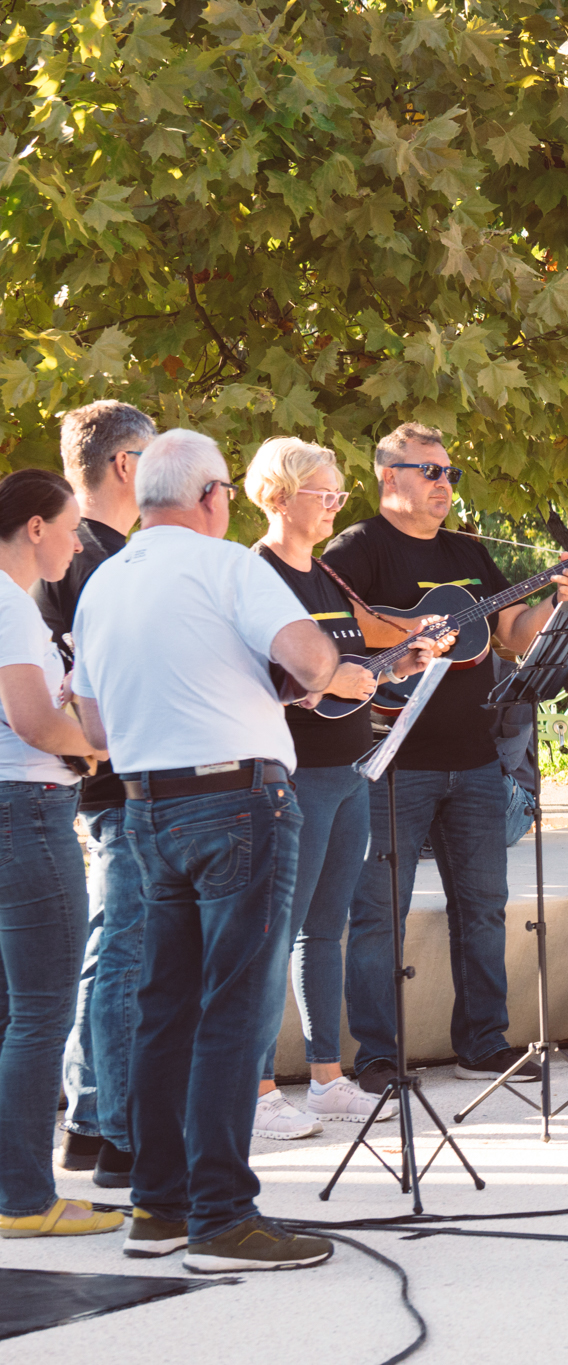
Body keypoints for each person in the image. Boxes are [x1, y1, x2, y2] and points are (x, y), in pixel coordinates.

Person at [72, 429, 340, 1271]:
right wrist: (315, 668)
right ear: (215, 496)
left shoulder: (104, 581)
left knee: (165, 1008)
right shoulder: (230, 567)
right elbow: (309, 658)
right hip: (238, 803)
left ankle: (159, 1207)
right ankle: (223, 1218)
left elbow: (92, 727)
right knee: (235, 1009)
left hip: (148, 805)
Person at [322, 422, 568, 1095]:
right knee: (380, 909)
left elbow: (513, 636)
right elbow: (335, 630)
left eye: (450, 473)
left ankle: (484, 1040)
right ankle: (377, 1055)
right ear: (390, 477)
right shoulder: (355, 549)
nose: (445, 484)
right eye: (431, 472)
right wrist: (408, 632)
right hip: (392, 757)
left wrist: (559, 599)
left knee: (484, 905)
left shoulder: (469, 551)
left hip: (473, 758)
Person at [247, 439, 440, 1139]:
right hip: (288, 777)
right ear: (278, 495)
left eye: (337, 496)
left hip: (348, 769)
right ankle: (259, 1085)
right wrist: (334, 678)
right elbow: (266, 676)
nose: (333, 507)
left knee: (325, 928)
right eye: (320, 495)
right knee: (272, 933)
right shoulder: (255, 573)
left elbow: (343, 669)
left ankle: (327, 1077)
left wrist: (396, 664)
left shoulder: (328, 575)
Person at [0, 470, 121, 1239]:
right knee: (44, 1013)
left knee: (16, 1012)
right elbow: (35, 723)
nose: (79, 544)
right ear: (35, 527)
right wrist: (103, 752)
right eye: (71, 527)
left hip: (17, 809)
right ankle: (25, 1199)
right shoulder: (11, 605)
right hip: (29, 810)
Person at [34, 401, 152, 1189]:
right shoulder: (98, 560)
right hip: (116, 778)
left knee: (111, 945)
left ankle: (86, 1120)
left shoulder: (93, 553)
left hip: (104, 777)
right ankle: (110, 1124)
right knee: (125, 953)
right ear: (123, 466)